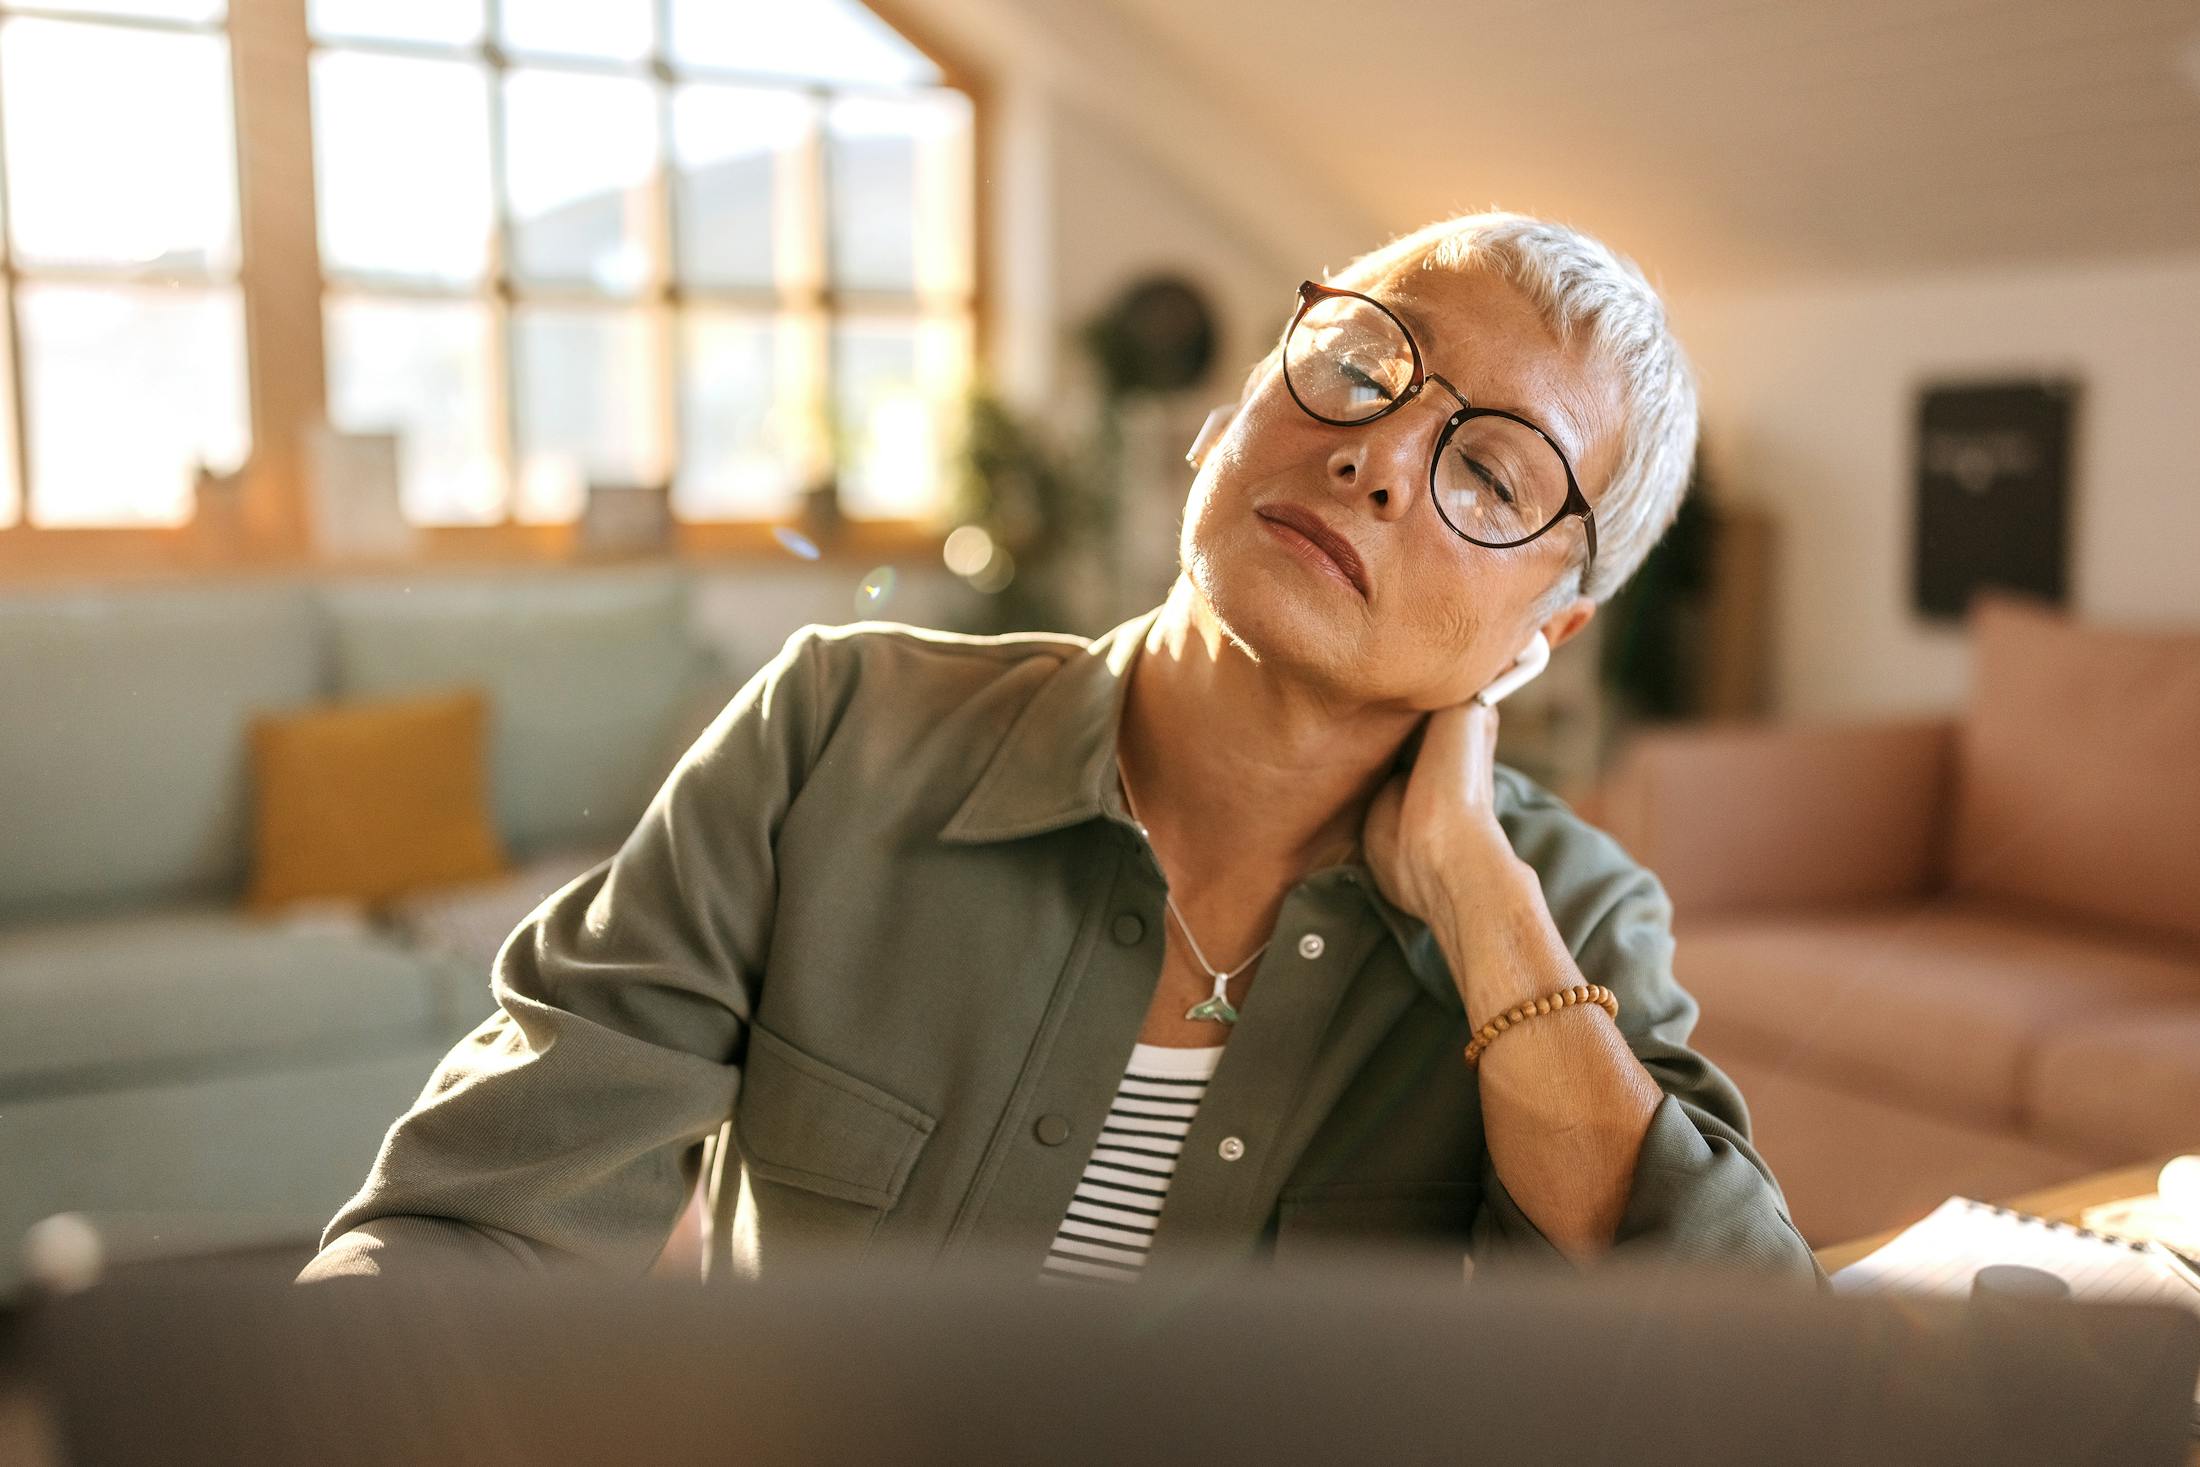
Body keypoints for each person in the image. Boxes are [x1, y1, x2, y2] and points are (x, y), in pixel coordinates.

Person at [296, 210, 1825, 1293]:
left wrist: (1480, 908)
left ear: (1536, 641)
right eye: (1363, 370)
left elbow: (1758, 1358)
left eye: (1488, 469)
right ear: (1230, 420)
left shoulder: (1563, 913)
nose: (1373, 455)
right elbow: (473, 1225)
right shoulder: (833, 735)